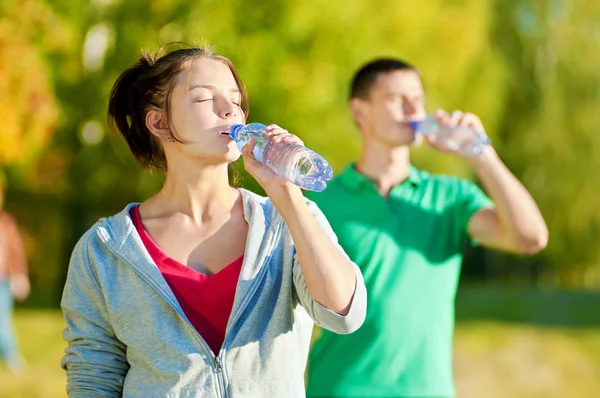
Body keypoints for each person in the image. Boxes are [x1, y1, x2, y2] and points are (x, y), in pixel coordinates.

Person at [60, 44, 367, 398]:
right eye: (206, 99)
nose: (229, 111)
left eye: (235, 101)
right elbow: (93, 380)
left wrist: (287, 195)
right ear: (159, 122)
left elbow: (344, 315)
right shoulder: (104, 250)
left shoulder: (287, 220)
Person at [306, 58, 548, 398]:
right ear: (360, 111)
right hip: (340, 388)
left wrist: (480, 152)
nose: (413, 108)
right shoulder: (319, 203)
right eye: (396, 98)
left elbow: (530, 237)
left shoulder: (451, 198)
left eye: (417, 98)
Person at [0, 180, 30, 374]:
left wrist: (20, 275)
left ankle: (11, 356)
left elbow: (15, 251)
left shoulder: (6, 223)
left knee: (2, 320)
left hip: (2, 280)